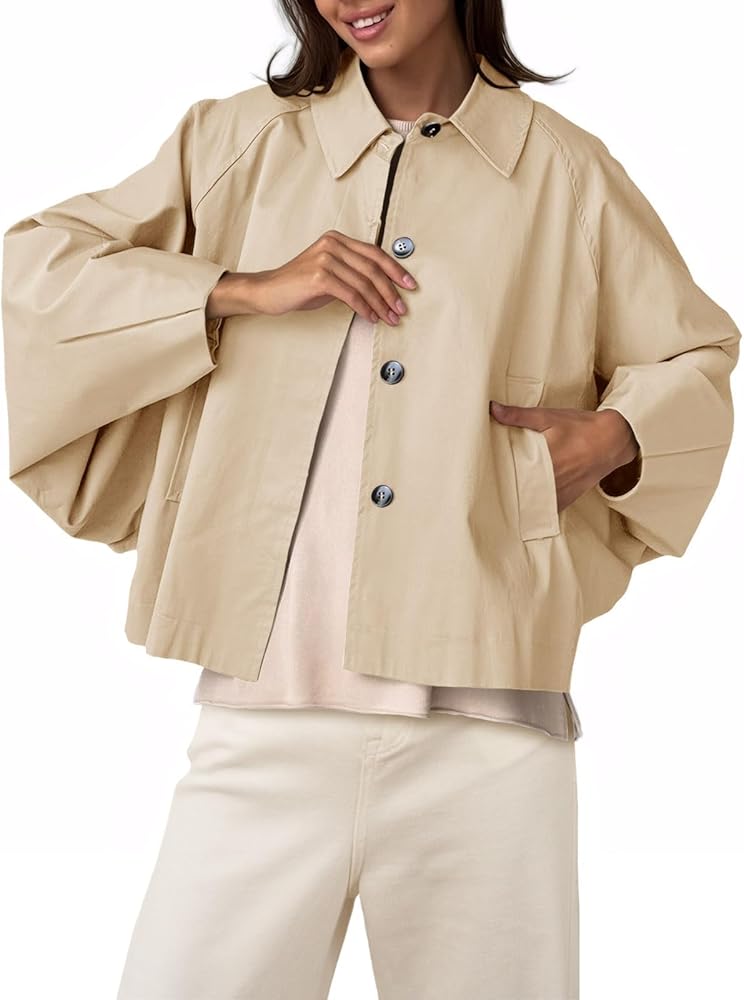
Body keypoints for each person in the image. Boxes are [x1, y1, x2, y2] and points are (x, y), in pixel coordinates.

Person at [2, 1, 739, 998]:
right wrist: (238, 286)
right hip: (262, 718)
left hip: (489, 735)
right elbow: (36, 267)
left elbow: (697, 356)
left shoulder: (565, 171)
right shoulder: (236, 143)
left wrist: (615, 436)